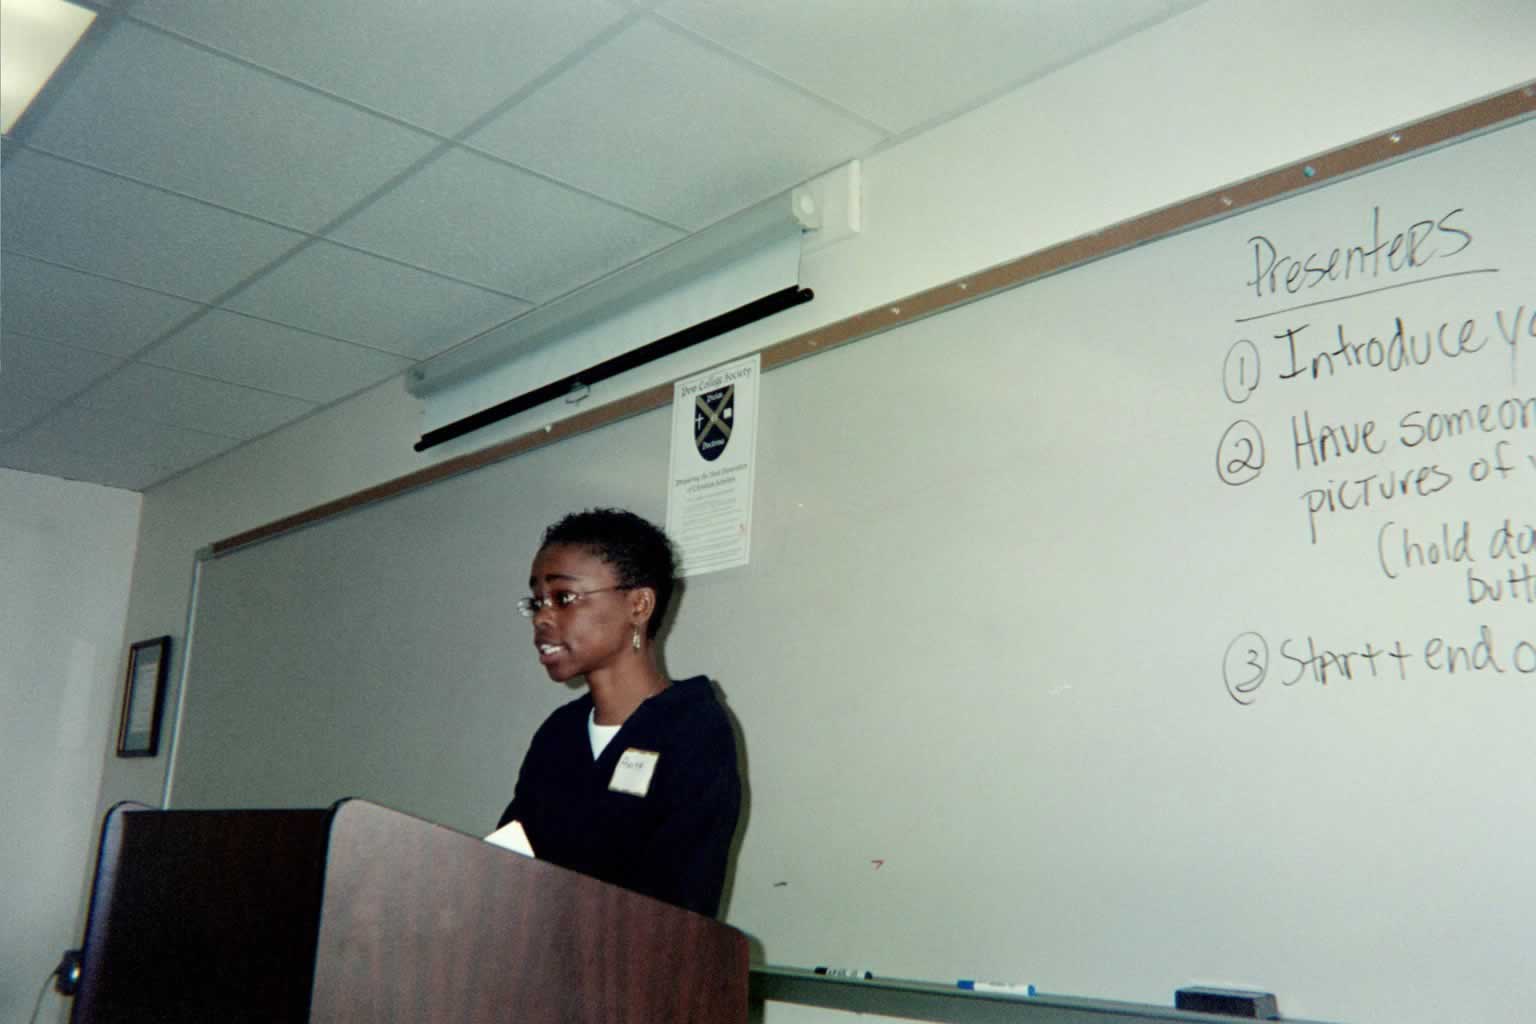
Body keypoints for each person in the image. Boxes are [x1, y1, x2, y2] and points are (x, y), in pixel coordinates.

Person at [497, 508, 741, 917]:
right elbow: (503, 868)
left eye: (563, 598)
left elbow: (681, 907)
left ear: (639, 605)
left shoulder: (693, 729)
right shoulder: (559, 735)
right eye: (537, 601)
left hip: (637, 972)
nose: (542, 617)